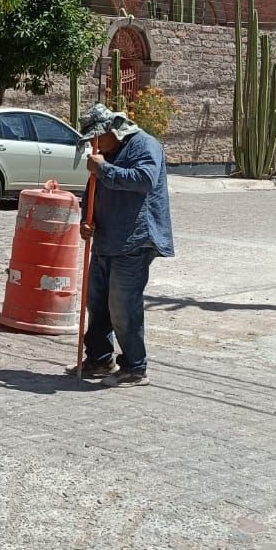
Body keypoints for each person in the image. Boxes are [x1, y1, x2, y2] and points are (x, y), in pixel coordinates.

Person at [78, 101, 175, 386]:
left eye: (95, 138)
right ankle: (99, 358)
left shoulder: (146, 145)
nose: (93, 145)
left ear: (111, 131)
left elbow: (143, 180)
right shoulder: (105, 152)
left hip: (134, 241)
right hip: (106, 239)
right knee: (96, 303)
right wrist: (87, 220)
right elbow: (91, 191)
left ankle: (135, 367)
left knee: (123, 306)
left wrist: (104, 168)